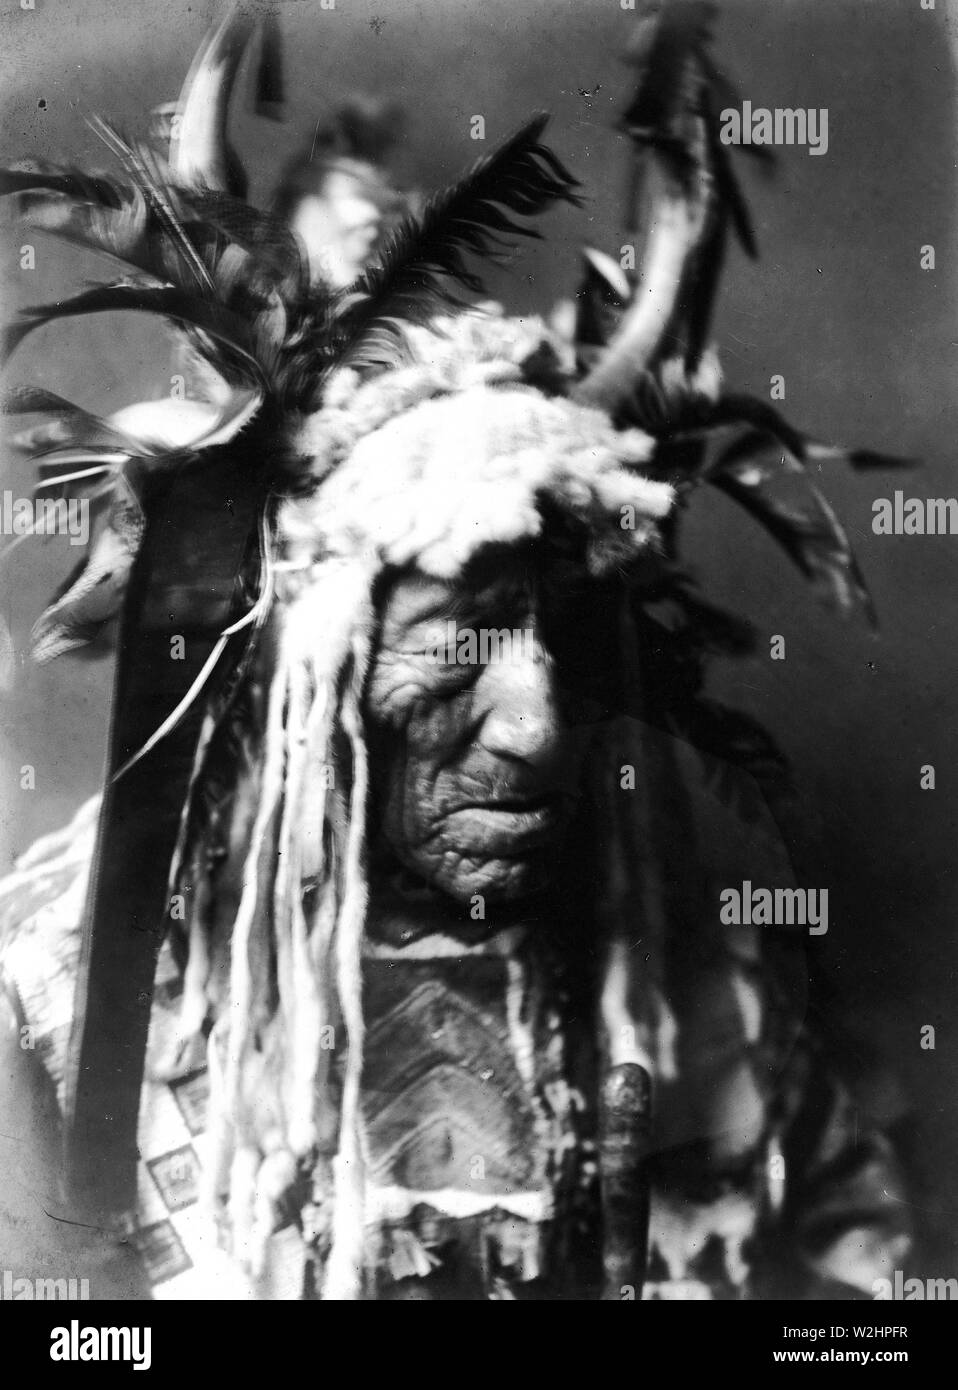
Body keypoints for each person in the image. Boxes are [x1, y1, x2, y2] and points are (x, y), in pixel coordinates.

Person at [0, 4, 912, 1299]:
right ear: (282, 683)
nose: (534, 725)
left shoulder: (718, 1009)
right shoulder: (46, 1019)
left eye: (568, 645)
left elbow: (856, 1293)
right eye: (453, 648)